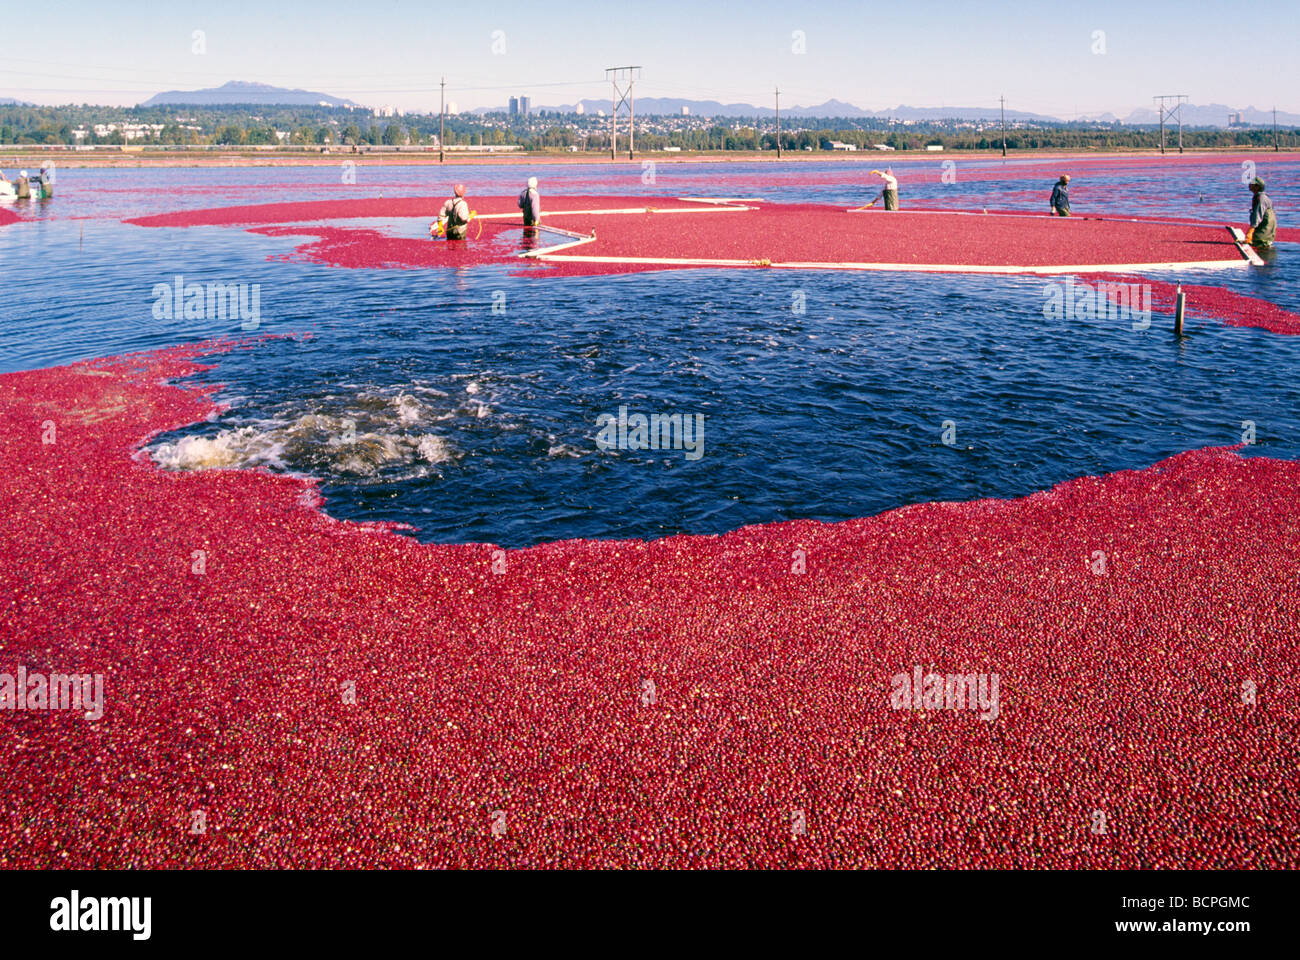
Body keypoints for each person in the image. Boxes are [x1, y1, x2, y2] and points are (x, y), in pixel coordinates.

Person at [1247, 176, 1276, 249]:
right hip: (1266, 227)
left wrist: (1250, 232)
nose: (1249, 185)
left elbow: (1258, 215)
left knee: (1261, 245)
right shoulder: (1260, 197)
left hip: (1265, 228)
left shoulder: (1261, 199)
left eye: (1251, 184)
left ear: (1257, 187)